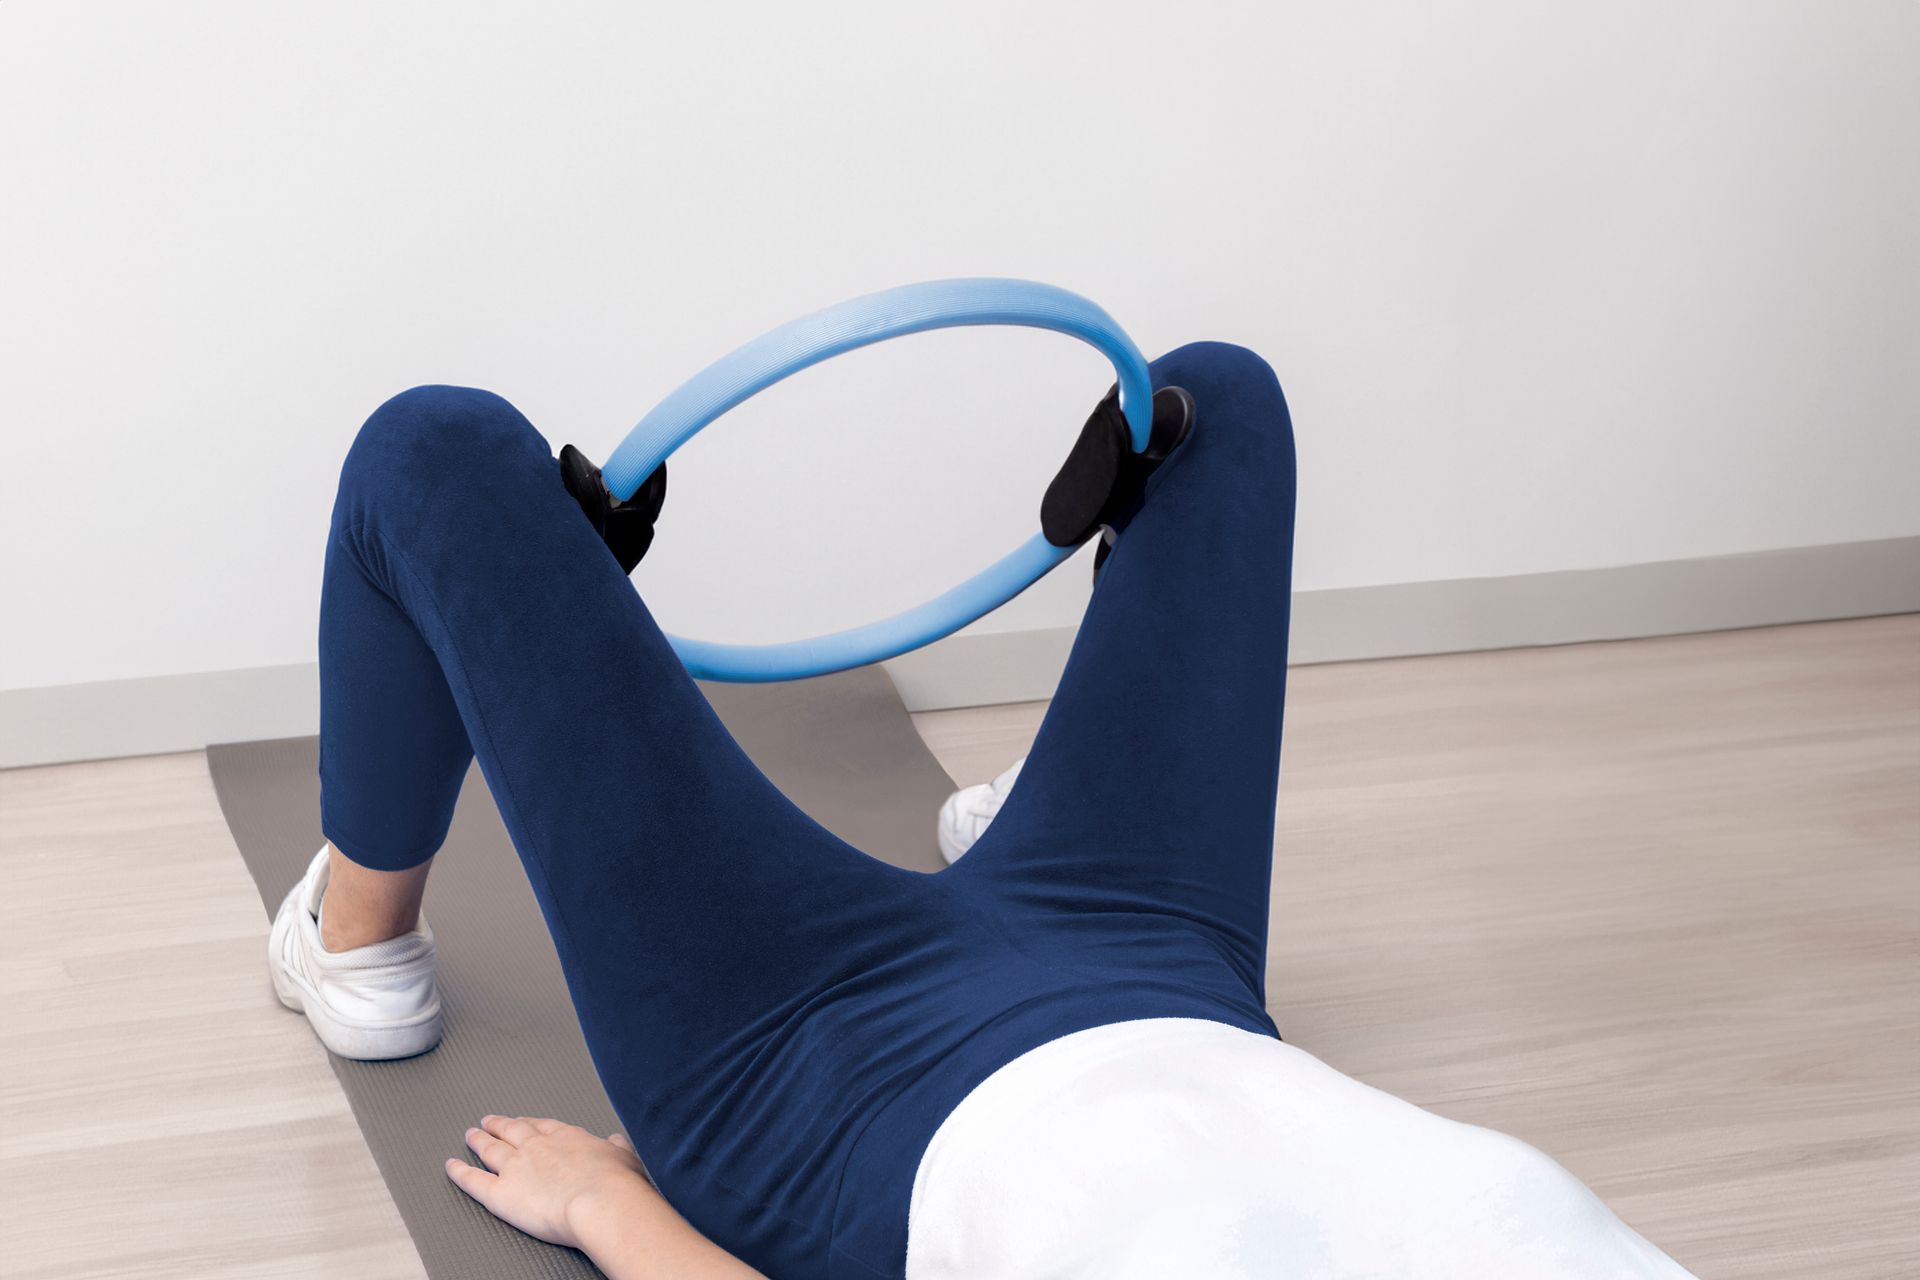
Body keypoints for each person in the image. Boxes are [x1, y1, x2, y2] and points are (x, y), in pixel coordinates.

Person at [268, 345, 1697, 1279]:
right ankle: (1023, 841)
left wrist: (606, 1209)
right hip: (1164, 978)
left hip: (824, 1087)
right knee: (1212, 412)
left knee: (437, 455)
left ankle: (358, 942)